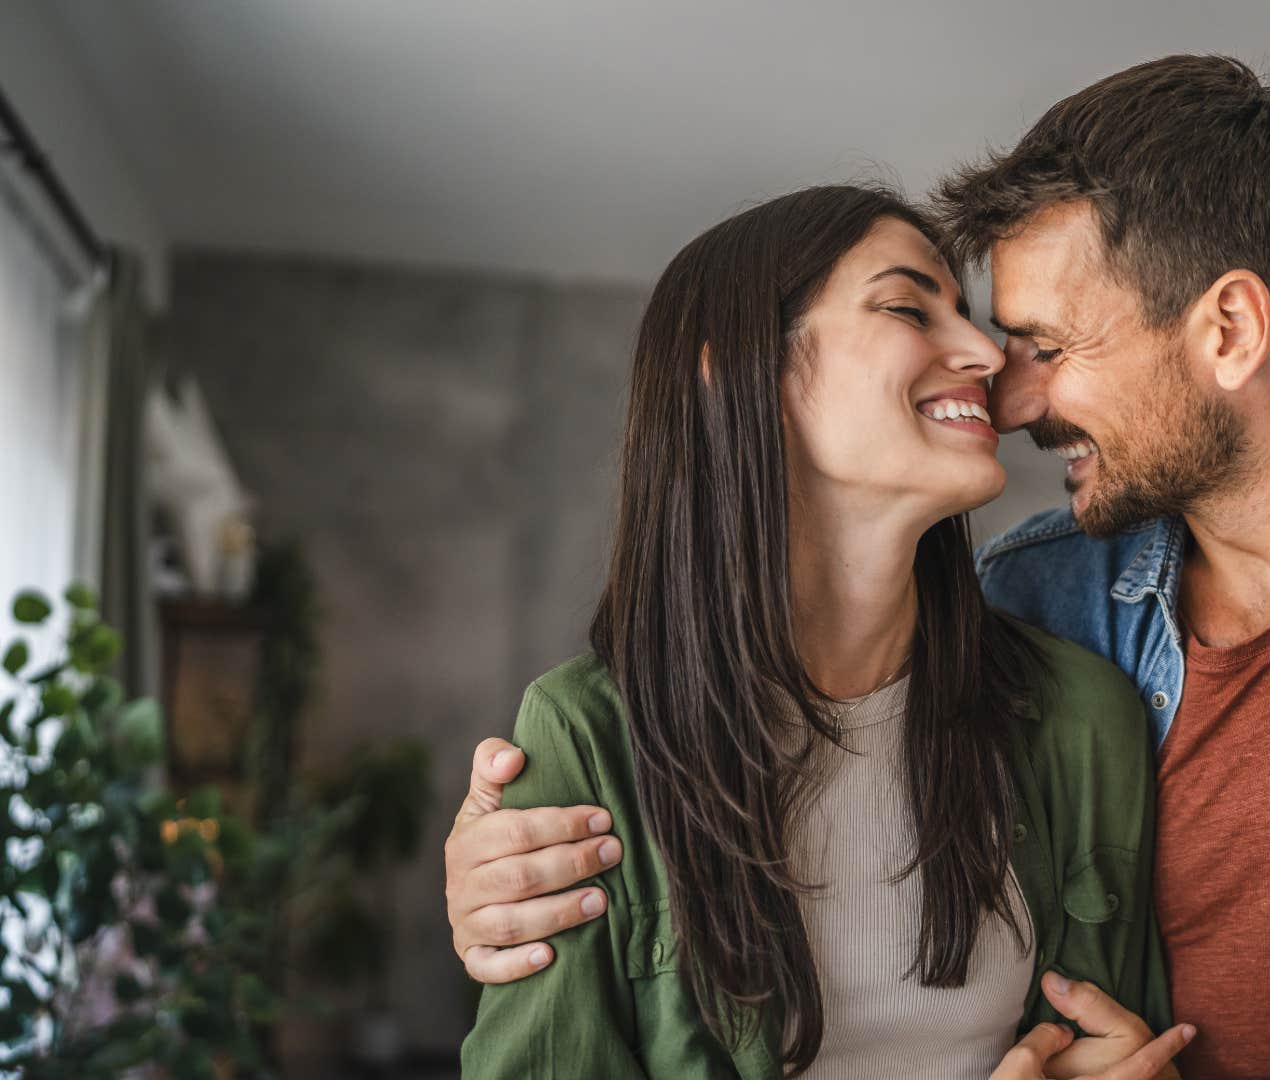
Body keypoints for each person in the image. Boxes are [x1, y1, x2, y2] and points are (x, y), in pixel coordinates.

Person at [449, 56, 1270, 1079]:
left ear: (1230, 327)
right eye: (959, 327)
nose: (1005, 395)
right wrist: (505, 885)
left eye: (1044, 346)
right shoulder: (1026, 604)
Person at [456, 185, 1190, 1079]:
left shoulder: (1081, 718)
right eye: (906, 307)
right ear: (735, 368)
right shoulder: (586, 737)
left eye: (963, 313)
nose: (986, 354)